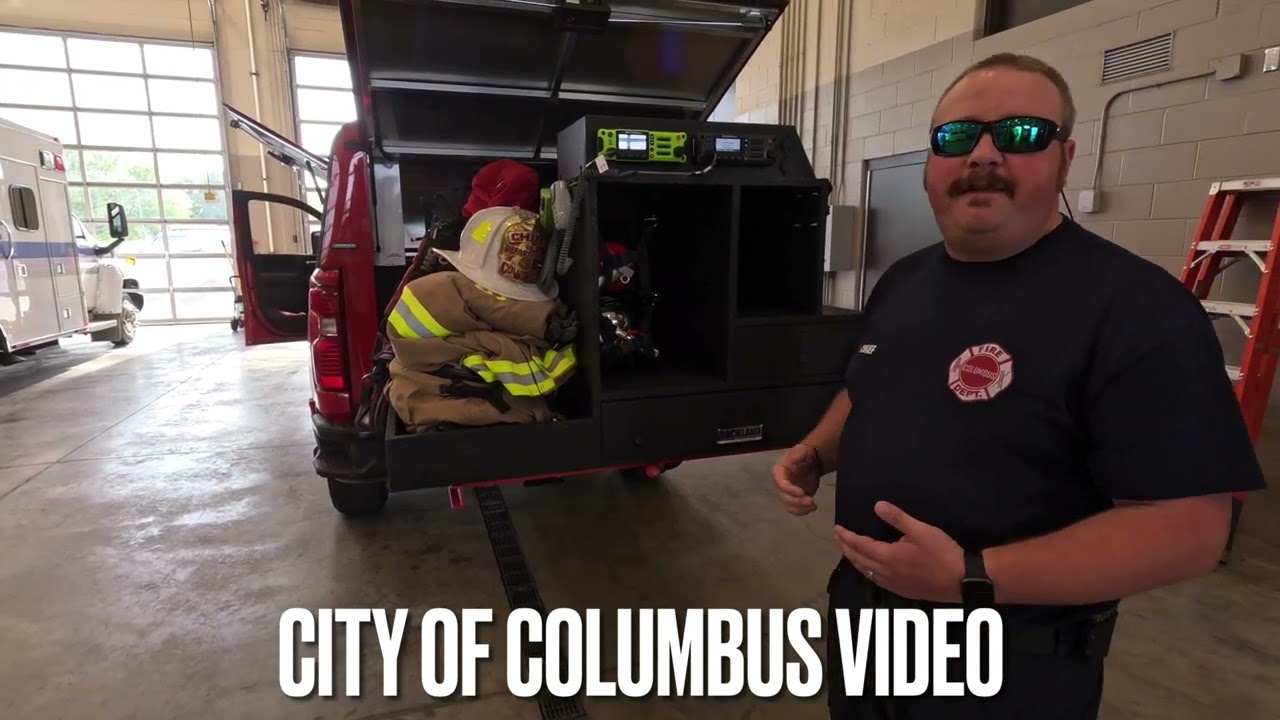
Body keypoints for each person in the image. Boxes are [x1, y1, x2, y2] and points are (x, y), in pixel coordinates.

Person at [773, 52, 1268, 719]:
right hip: (866, 627)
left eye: (1020, 135)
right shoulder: (904, 281)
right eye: (957, 137)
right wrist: (816, 451)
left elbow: (1189, 531)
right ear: (931, 165)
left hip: (1007, 663)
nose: (983, 154)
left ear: (1066, 159)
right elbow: (868, 387)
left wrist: (971, 578)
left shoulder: (1135, 309)